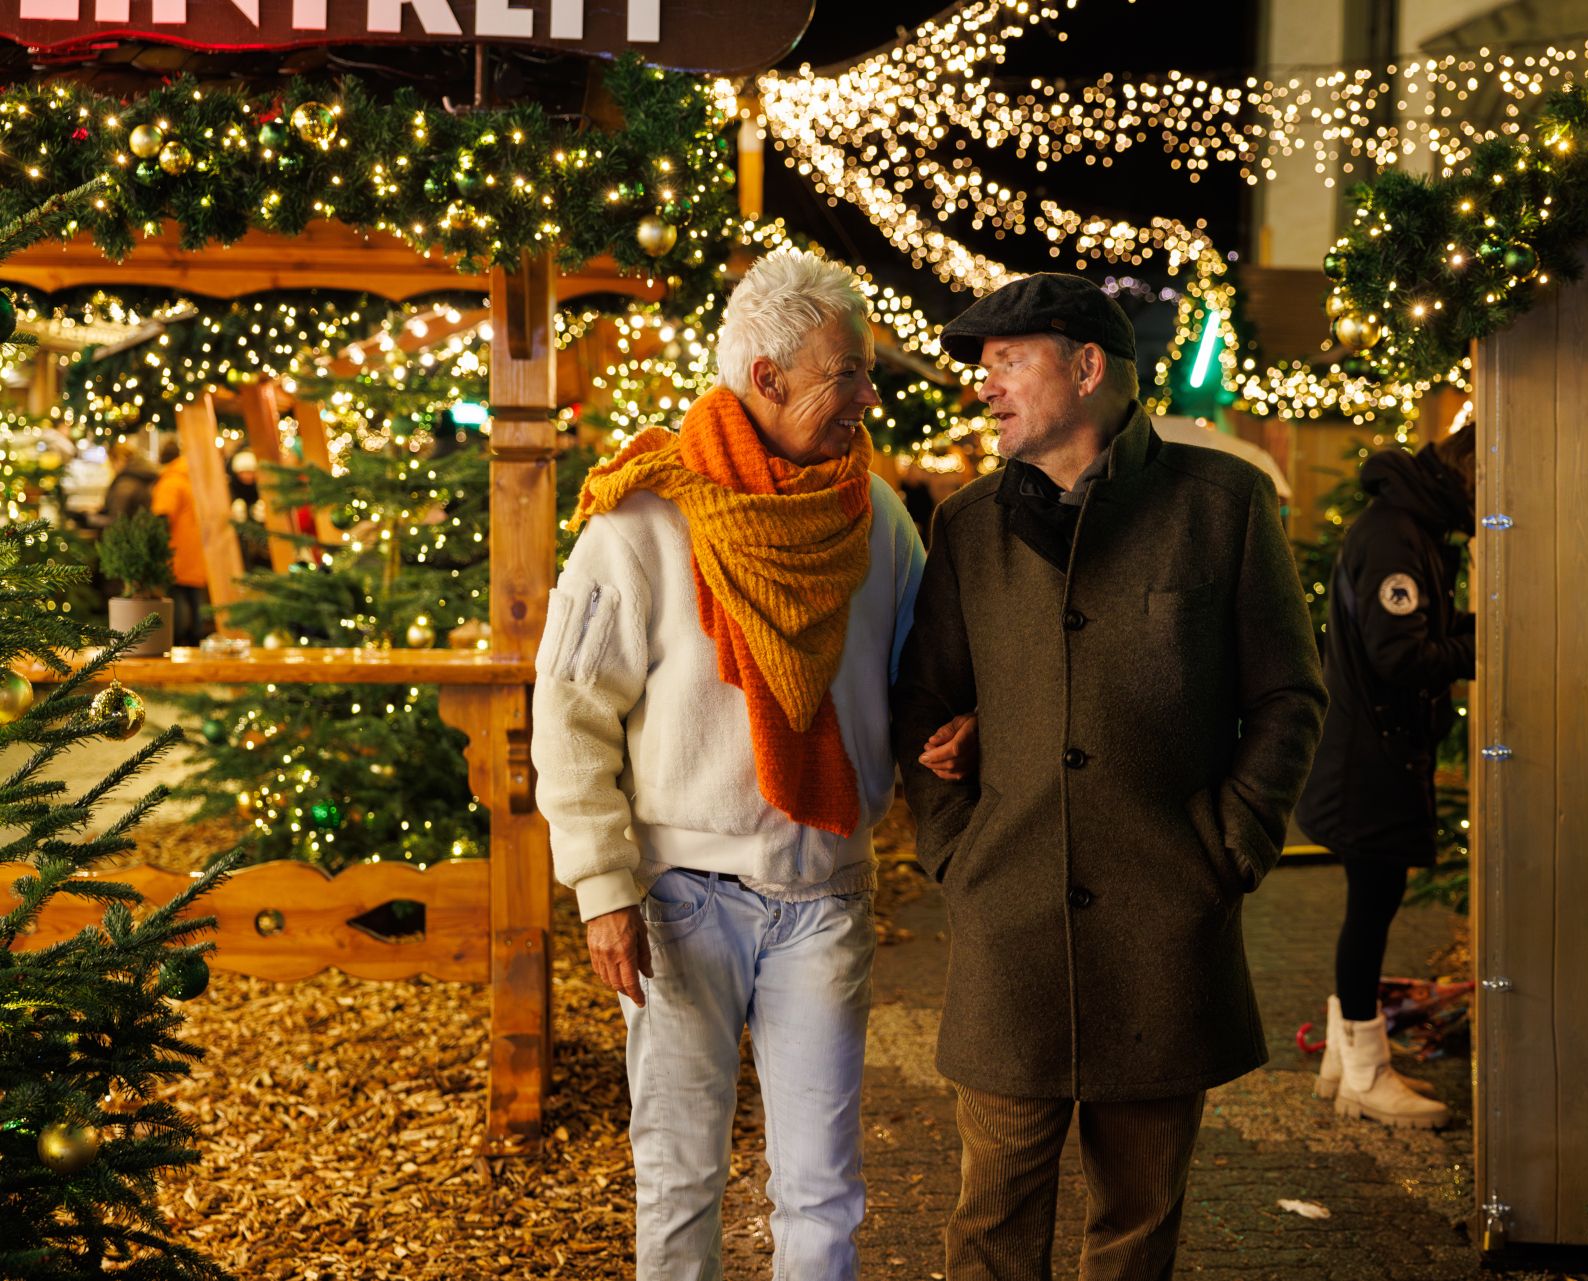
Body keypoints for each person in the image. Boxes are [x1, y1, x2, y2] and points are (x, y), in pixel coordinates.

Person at [531, 250, 972, 1280]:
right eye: (847, 373)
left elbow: (917, 675)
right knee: (679, 1175)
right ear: (766, 377)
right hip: (678, 901)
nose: (868, 396)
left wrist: (952, 727)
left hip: (826, 894)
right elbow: (570, 712)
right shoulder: (646, 518)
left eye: (865, 375)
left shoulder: (879, 519)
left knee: (822, 1187)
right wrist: (602, 887)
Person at [892, 273, 1328, 1281]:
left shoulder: (1223, 508)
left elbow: (1287, 699)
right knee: (991, 1220)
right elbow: (924, 703)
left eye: (1009, 362)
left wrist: (1230, 849)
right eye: (984, 368)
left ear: (1089, 369)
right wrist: (955, 848)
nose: (987, 387)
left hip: (1164, 927)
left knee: (1136, 1227)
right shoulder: (967, 527)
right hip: (1010, 923)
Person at [1294, 423, 1477, 1131]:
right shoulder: (1398, 535)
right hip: (1370, 759)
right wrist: (1481, 641)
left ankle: (1345, 1059)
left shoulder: (1402, 525)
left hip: (1370, 752)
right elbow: (1400, 652)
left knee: (1370, 904)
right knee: (1372, 906)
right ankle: (1366, 1072)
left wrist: (1466, 624)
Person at [148, 438, 211, 642]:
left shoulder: (171, 481)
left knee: (176, 602)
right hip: (195, 550)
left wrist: (154, 546)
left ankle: (178, 642)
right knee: (193, 600)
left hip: (176, 551)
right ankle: (195, 640)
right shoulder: (191, 479)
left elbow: (162, 517)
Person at [100, 439, 159, 523]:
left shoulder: (125, 485)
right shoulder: (140, 474)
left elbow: (117, 520)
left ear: (120, 459)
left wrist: (88, 518)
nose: (112, 468)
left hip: (129, 533)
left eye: (112, 463)